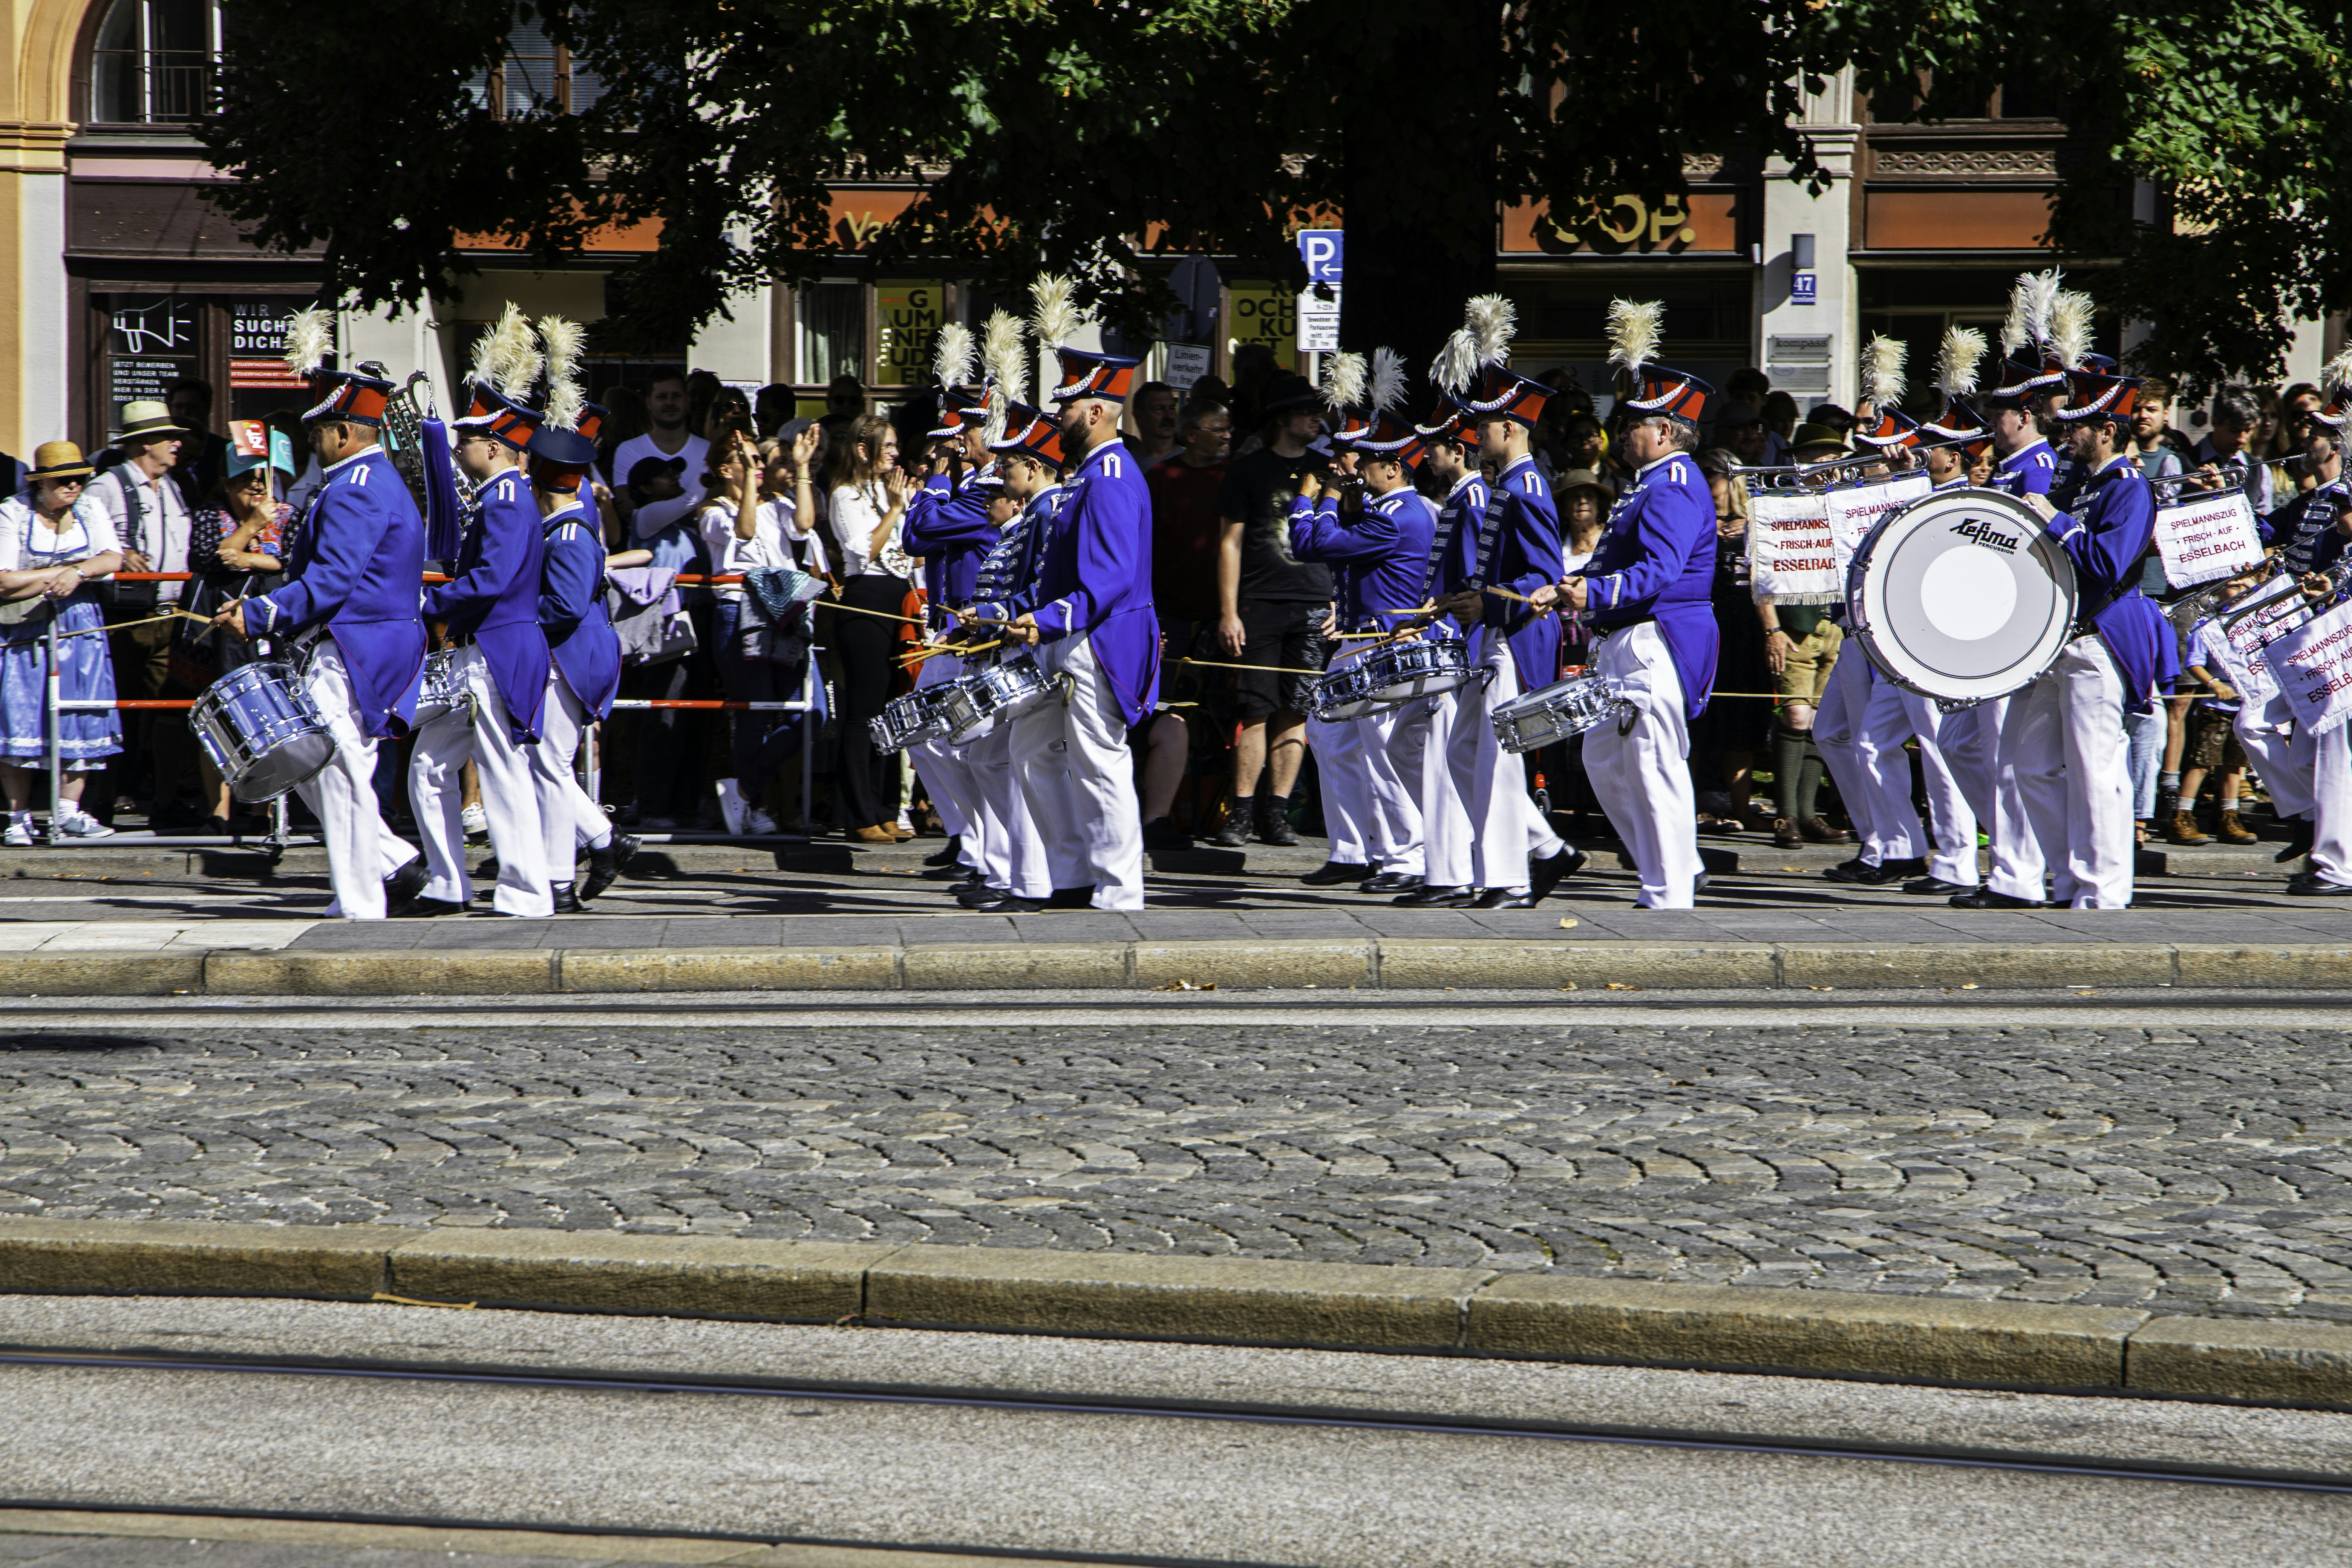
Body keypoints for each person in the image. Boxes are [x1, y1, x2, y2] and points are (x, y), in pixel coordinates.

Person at [213, 347, 428, 921]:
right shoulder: (372, 478)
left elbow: (331, 582)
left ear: (341, 433)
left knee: (333, 767)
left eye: (316, 433)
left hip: (357, 643)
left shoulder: (355, 486)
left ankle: (362, 904)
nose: (311, 443)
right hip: (371, 641)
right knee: (319, 763)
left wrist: (257, 616)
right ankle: (389, 863)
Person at [1967, 361, 2167, 910]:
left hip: (2099, 636)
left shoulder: (2128, 487)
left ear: (2108, 430)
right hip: (2059, 638)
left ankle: (2102, 891)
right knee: (2030, 766)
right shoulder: (2080, 481)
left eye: (2079, 426)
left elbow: (2106, 560)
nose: (2066, 433)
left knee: (2096, 770)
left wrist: (2056, 521)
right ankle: (2069, 877)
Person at [1535, 303, 1709, 910]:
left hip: (1653, 637)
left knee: (1652, 762)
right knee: (1604, 757)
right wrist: (1570, 584)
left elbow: (1659, 570)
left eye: (1634, 422)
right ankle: (1674, 863)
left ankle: (1669, 890)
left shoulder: (1676, 483)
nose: (1622, 431)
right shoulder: (1651, 484)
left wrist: (1595, 592)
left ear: (1664, 430)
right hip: (1624, 635)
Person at [1429, 297, 1578, 907]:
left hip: (1512, 637)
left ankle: (1509, 877)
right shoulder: (1507, 483)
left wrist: (1486, 606)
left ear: (1510, 428)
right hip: (1491, 631)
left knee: (1491, 757)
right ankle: (1547, 849)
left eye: (1485, 428)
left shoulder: (1528, 485)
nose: (1477, 436)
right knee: (1467, 752)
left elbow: (1543, 574)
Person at [1005, 344, 1158, 911]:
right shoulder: (1089, 475)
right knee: (1032, 747)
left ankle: (1120, 891)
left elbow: (1111, 578)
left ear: (1096, 413)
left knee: (1100, 762)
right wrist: (1026, 618)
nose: (1058, 418)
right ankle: (1069, 874)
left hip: (1096, 637)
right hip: (1066, 637)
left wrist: (1045, 621)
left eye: (1067, 408)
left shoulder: (1112, 476)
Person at [404, 346, 554, 920]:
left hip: (497, 650)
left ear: (493, 447)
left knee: (502, 768)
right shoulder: (501, 498)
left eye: (466, 439)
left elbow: (491, 580)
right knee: (429, 765)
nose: (457, 447)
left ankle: (526, 891)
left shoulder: (509, 499)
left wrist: (427, 600)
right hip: (482, 651)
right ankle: (447, 882)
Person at [1288, 397, 1439, 895]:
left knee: (1379, 749)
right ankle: (1354, 850)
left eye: (1359, 459)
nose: (1340, 465)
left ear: (1392, 467)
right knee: (1331, 736)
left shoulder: (1396, 514)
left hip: (1380, 644)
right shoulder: (1382, 508)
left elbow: (1312, 544)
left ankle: (1405, 856)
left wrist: (1319, 497)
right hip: (1360, 640)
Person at [958, 400, 1070, 910]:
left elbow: (1041, 593)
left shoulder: (1047, 512)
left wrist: (994, 613)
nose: (1001, 472)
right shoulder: (1039, 515)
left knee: (1022, 763)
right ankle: (1013, 872)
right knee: (994, 756)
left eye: (1009, 463)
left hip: (1030, 649)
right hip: (1014, 646)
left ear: (1034, 466)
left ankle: (1029, 879)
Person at [526, 403, 639, 909]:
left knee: (549, 763)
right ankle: (599, 844)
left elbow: (566, 606)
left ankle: (564, 877)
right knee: (547, 763)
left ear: (537, 486)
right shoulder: (570, 527)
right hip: (575, 655)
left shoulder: (568, 535)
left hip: (571, 657)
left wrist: (520, 620)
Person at [1213, 372, 1329, 847]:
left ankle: (1277, 812)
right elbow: (1229, 543)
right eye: (1307, 412)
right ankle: (1241, 812)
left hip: (1314, 604)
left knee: (1296, 711)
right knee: (1256, 709)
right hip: (1258, 604)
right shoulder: (1247, 470)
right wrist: (1228, 611)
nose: (1317, 419)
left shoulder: (1328, 471)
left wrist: (1339, 599)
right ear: (1283, 419)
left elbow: (1347, 544)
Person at [0, 444, 122, 843]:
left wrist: (78, 572)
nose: (74, 486)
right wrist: (66, 573)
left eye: (80, 478)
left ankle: (68, 811)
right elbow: (4, 580)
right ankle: (18, 816)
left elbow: (112, 559)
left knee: (80, 709)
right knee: (21, 713)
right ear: (41, 483)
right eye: (63, 480)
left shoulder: (89, 509)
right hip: (25, 627)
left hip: (79, 624)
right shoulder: (13, 512)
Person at [699, 425, 815, 838]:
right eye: (746, 460)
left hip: (785, 612)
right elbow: (744, 531)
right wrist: (749, 481)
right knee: (754, 715)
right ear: (723, 469)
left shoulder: (778, 504)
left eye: (758, 460)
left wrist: (801, 468)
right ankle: (754, 807)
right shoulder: (712, 511)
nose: (758, 467)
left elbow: (804, 525)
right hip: (738, 613)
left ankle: (743, 791)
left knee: (808, 714)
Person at [87, 398, 198, 827]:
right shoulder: (107, 487)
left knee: (166, 710)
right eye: (169, 437)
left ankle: (159, 800)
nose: (177, 443)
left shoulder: (173, 485)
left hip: (170, 615)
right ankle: (107, 798)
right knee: (124, 711)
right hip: (127, 618)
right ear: (144, 443)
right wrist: (122, 554)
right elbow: (88, 545)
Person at [185, 424, 300, 832]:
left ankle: (263, 812)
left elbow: (293, 562)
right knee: (222, 718)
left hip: (270, 625)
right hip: (220, 631)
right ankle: (219, 810)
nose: (257, 489)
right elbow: (207, 559)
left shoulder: (289, 516)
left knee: (270, 717)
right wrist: (250, 527)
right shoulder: (209, 515)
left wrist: (244, 556)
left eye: (262, 480)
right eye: (246, 481)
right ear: (226, 484)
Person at [1142, 400, 1232, 848]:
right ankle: (1156, 814)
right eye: (1217, 428)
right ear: (1191, 434)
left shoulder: (1232, 478)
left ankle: (1226, 812)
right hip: (1169, 618)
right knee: (1166, 713)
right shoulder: (1161, 478)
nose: (1227, 435)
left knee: (1227, 716)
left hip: (1222, 617)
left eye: (1228, 429)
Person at [824, 413, 916, 842]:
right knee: (862, 712)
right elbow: (863, 552)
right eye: (889, 445)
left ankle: (884, 808)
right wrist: (896, 510)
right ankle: (859, 813)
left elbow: (907, 549)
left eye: (897, 445)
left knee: (889, 711)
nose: (897, 453)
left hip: (900, 598)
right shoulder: (845, 494)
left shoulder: (887, 489)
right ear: (864, 450)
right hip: (865, 601)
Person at [612, 370, 710, 548]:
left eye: (676, 396)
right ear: (649, 402)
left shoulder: (708, 450)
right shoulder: (628, 449)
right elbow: (630, 511)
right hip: (648, 559)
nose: (670, 403)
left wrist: (661, 507)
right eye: (662, 397)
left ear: (687, 400)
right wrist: (688, 508)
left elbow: (712, 508)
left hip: (702, 556)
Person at [1128, 380, 1181, 468]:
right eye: (1159, 409)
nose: (1169, 416)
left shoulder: (1193, 461)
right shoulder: (1128, 465)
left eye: (1172, 409)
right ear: (1139, 416)